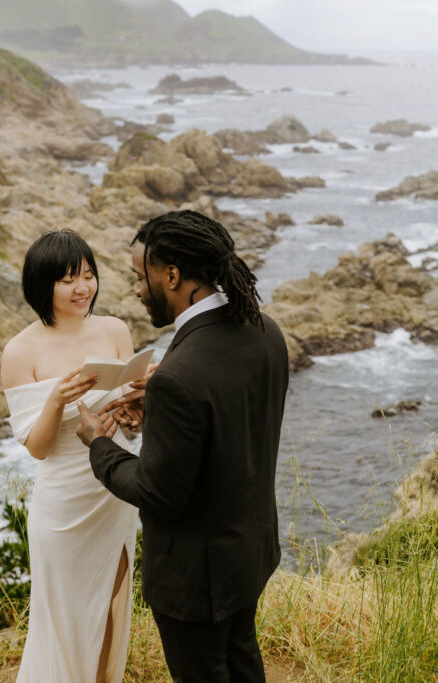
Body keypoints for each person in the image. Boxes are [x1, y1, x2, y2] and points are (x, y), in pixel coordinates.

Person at [75, 210, 289, 682]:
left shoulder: (179, 374)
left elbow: (157, 494)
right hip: (249, 553)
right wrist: (165, 413)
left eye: (139, 276)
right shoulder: (266, 330)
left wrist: (99, 446)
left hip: (196, 580)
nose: (135, 289)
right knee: (242, 661)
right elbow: (235, 419)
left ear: (171, 275)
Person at [1, 229, 139, 683]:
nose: (83, 288)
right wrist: (57, 400)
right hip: (62, 504)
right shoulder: (20, 350)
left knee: (111, 609)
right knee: (63, 619)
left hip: (115, 491)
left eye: (88, 275)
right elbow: (37, 448)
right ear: (43, 285)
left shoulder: (116, 330)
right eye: (68, 280)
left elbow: (136, 414)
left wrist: (137, 414)